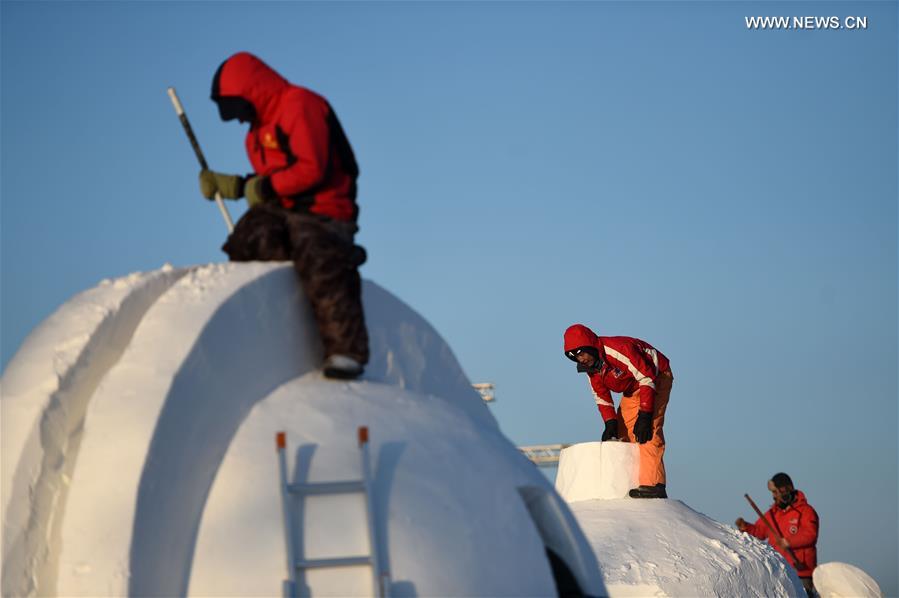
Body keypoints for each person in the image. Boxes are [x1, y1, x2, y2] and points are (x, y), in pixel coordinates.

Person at [198, 52, 368, 379]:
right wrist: (235, 186)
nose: (239, 120)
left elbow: (312, 168)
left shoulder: (300, 105)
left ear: (248, 93)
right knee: (250, 237)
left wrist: (264, 188)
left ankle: (346, 350)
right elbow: (272, 181)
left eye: (238, 110)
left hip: (326, 208)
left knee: (316, 252)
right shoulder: (255, 133)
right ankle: (265, 325)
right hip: (287, 209)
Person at [563, 324, 673, 499]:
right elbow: (602, 397)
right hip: (633, 388)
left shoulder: (617, 350)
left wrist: (645, 415)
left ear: (590, 346)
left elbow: (646, 376)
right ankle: (630, 482)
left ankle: (653, 484)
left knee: (647, 430)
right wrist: (610, 423)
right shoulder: (592, 370)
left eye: (581, 353)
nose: (580, 359)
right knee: (624, 432)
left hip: (656, 377)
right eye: (575, 357)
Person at [736, 473, 819, 596]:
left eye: (776, 492)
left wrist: (789, 542)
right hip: (780, 572)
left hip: (801, 573)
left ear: (785, 490)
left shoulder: (806, 511)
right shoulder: (773, 514)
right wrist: (746, 527)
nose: (774, 496)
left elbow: (810, 535)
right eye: (773, 493)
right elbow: (759, 531)